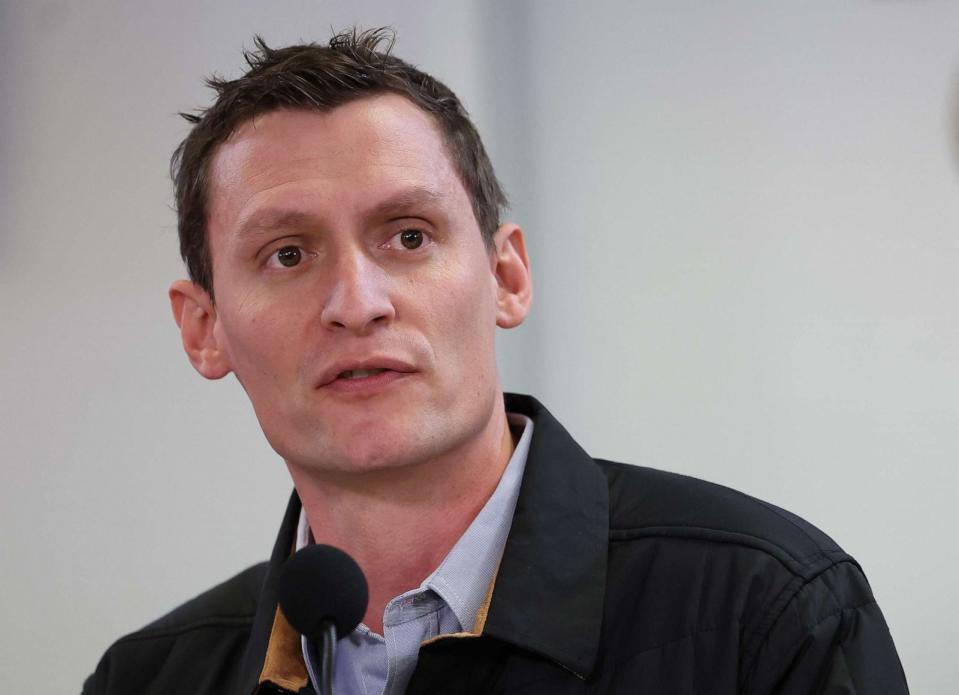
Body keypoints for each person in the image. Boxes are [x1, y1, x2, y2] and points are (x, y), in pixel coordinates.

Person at [83, 29, 908, 695]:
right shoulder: (145, 678)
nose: (356, 301)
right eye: (288, 254)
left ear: (505, 276)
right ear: (204, 329)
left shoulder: (765, 611)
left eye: (408, 236)